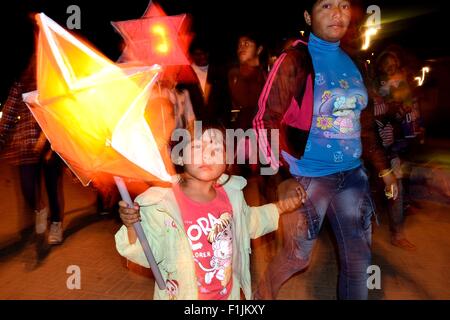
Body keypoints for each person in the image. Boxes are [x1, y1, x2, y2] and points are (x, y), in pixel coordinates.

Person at [253, 0, 397, 300]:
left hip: (352, 177)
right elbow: (265, 119)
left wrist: (383, 169)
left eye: (343, 6)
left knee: (359, 262)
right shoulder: (295, 60)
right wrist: (283, 177)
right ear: (308, 15)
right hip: (308, 178)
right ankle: (258, 299)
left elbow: (365, 124)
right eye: (326, 6)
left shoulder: (356, 64)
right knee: (297, 257)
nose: (337, 13)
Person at [115, 123, 305, 300]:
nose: (207, 155)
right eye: (197, 148)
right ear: (179, 156)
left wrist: (281, 207)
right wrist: (132, 226)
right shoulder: (160, 204)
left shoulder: (232, 196)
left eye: (216, 149)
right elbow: (149, 254)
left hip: (227, 295)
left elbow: (247, 223)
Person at [0, 56, 65, 244]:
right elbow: (10, 111)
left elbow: (63, 114)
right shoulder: (21, 84)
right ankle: (39, 208)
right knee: (27, 187)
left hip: (51, 145)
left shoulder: (55, 86)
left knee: (53, 187)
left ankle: (56, 224)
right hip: (27, 146)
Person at [371, 48, 425, 250]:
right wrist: (389, 106)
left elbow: (399, 117)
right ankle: (368, 226)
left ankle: (397, 233)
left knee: (396, 189)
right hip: (370, 148)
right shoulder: (373, 88)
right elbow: (371, 114)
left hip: (389, 148)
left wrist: (404, 112)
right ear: (380, 69)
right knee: (372, 190)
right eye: (387, 67)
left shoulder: (400, 86)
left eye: (394, 66)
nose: (392, 70)